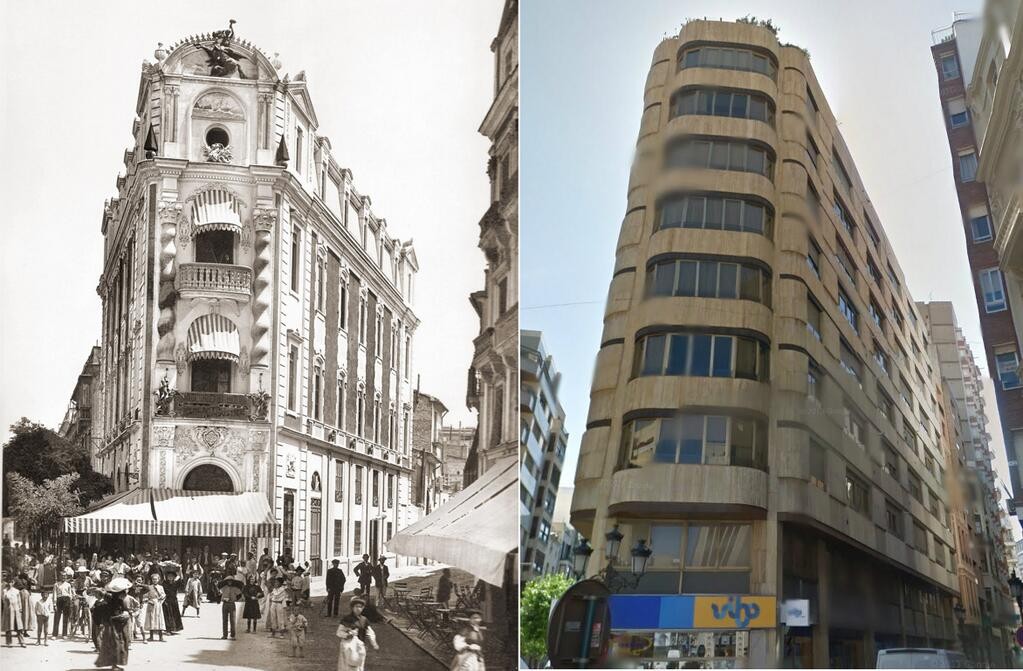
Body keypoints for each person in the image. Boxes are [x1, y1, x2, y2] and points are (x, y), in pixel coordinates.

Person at [94, 577, 132, 671]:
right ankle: (114, 665)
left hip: (115, 625)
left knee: (115, 644)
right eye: (125, 591)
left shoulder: (113, 599)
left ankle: (114, 664)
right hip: (114, 626)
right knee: (115, 645)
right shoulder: (115, 600)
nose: (126, 593)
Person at [219, 573, 243, 640]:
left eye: (231, 581)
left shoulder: (235, 588)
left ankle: (233, 635)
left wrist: (234, 599)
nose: (229, 582)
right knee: (224, 620)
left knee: (233, 620)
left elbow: (240, 595)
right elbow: (219, 594)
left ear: (232, 582)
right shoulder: (223, 588)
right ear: (226, 582)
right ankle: (225, 635)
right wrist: (222, 599)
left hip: (232, 604)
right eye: (228, 581)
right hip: (225, 604)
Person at [2, 580, 25, 647]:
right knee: (8, 627)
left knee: (19, 627)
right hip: (8, 611)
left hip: (16, 610)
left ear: (13, 583)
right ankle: (9, 642)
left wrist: (20, 609)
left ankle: (22, 642)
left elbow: (19, 601)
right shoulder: (5, 591)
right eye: (8, 582)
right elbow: (3, 601)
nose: (10, 584)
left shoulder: (16, 591)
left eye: (11, 582)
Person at [144, 573, 166, 642]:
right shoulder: (149, 587)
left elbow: (163, 595)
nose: (154, 580)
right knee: (151, 619)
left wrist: (161, 597)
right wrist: (148, 600)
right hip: (151, 603)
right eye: (153, 579)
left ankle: (161, 636)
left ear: (158, 580)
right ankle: (151, 636)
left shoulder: (161, 587)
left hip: (158, 604)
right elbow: (146, 595)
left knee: (159, 619)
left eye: (156, 579)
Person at [52, 568, 73, 639]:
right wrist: (54, 604)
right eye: (62, 576)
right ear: (59, 577)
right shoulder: (56, 584)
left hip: (66, 600)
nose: (63, 577)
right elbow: (54, 594)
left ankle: (64, 634)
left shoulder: (68, 585)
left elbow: (70, 594)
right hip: (59, 600)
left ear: (66, 577)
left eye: (65, 576)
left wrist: (70, 602)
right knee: (57, 617)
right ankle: (54, 634)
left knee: (65, 617)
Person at [162, 569, 183, 633]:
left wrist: (180, 572)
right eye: (169, 576)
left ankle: (175, 628)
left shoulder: (176, 583)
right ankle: (168, 629)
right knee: (168, 615)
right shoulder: (164, 583)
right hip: (166, 601)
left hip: (174, 600)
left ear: (174, 577)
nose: (170, 577)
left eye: (172, 576)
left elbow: (181, 582)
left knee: (175, 614)